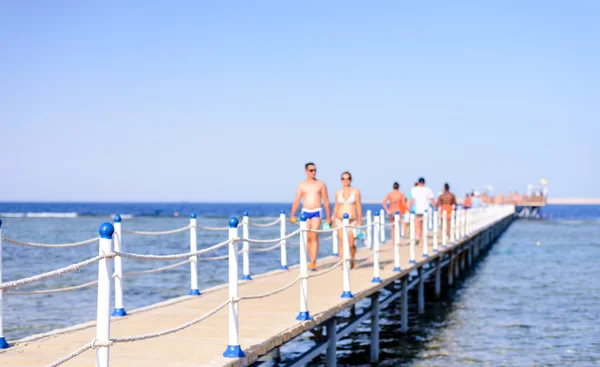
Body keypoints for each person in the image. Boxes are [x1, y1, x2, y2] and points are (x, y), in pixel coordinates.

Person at [290, 162, 332, 270]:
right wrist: (293, 214)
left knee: (314, 235)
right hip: (305, 211)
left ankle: (313, 261)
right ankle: (310, 259)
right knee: (308, 237)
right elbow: (297, 200)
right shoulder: (302, 185)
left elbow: (326, 200)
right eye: (311, 170)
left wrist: (328, 217)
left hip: (317, 211)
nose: (313, 172)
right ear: (306, 171)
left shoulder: (320, 184)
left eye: (315, 170)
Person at [333, 171, 362, 269]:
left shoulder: (356, 191)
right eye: (343, 178)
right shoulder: (338, 192)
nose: (345, 180)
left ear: (351, 179)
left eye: (347, 178)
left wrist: (360, 220)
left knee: (351, 244)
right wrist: (333, 219)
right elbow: (336, 206)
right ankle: (343, 263)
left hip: (352, 220)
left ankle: (352, 259)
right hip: (340, 220)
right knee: (341, 242)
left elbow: (358, 205)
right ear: (341, 180)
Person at [407, 177, 436, 242]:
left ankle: (418, 238)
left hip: (418, 210)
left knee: (418, 226)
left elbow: (412, 200)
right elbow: (432, 200)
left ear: (418, 182)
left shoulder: (414, 189)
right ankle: (422, 242)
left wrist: (409, 208)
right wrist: (436, 207)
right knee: (424, 227)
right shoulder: (428, 190)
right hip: (425, 210)